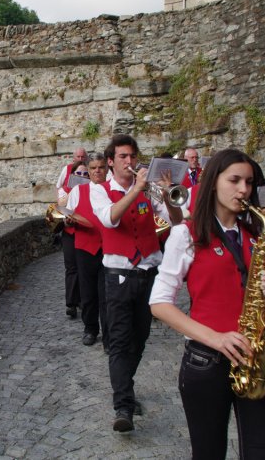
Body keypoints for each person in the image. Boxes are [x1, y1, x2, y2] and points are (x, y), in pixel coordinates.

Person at [150, 148, 265, 459]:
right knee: (208, 453)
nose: (244, 190)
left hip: (254, 357)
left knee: (262, 453)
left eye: (249, 182)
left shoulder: (257, 235)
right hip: (210, 360)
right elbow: (159, 302)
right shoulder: (187, 233)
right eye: (235, 180)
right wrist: (215, 337)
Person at [90, 134, 183, 432]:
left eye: (132, 156)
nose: (129, 162)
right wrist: (137, 189)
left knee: (139, 340)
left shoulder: (149, 190)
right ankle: (123, 407)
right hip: (117, 277)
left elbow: (176, 221)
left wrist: (168, 194)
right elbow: (110, 219)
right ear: (111, 162)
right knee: (118, 342)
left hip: (149, 275)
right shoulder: (99, 191)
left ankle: (125, 391)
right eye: (123, 157)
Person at [65, 154, 108, 347]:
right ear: (88, 171)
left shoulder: (112, 190)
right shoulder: (78, 191)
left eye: (100, 167)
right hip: (84, 248)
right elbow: (69, 214)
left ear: (106, 169)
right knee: (88, 293)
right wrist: (68, 220)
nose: (97, 171)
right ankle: (90, 329)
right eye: (93, 168)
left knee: (107, 294)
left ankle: (109, 336)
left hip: (108, 248)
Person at [56, 148, 88, 318]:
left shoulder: (93, 188)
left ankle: (84, 301)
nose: (82, 175)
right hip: (70, 231)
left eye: (85, 173)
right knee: (71, 268)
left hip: (85, 232)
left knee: (83, 268)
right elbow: (60, 200)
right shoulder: (65, 188)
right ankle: (71, 303)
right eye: (78, 173)